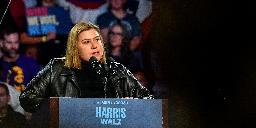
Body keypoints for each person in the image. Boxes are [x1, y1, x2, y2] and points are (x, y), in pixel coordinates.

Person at [19, 22, 153, 113]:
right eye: (87, 42)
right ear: (75, 47)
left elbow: (148, 100)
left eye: (97, 40)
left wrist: (133, 103)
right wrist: (58, 107)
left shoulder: (115, 68)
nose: (95, 46)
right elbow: (27, 98)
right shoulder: (57, 68)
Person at [0, 27, 41, 92]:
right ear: (1, 43)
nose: (13, 47)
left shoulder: (29, 62)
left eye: (16, 42)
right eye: (9, 43)